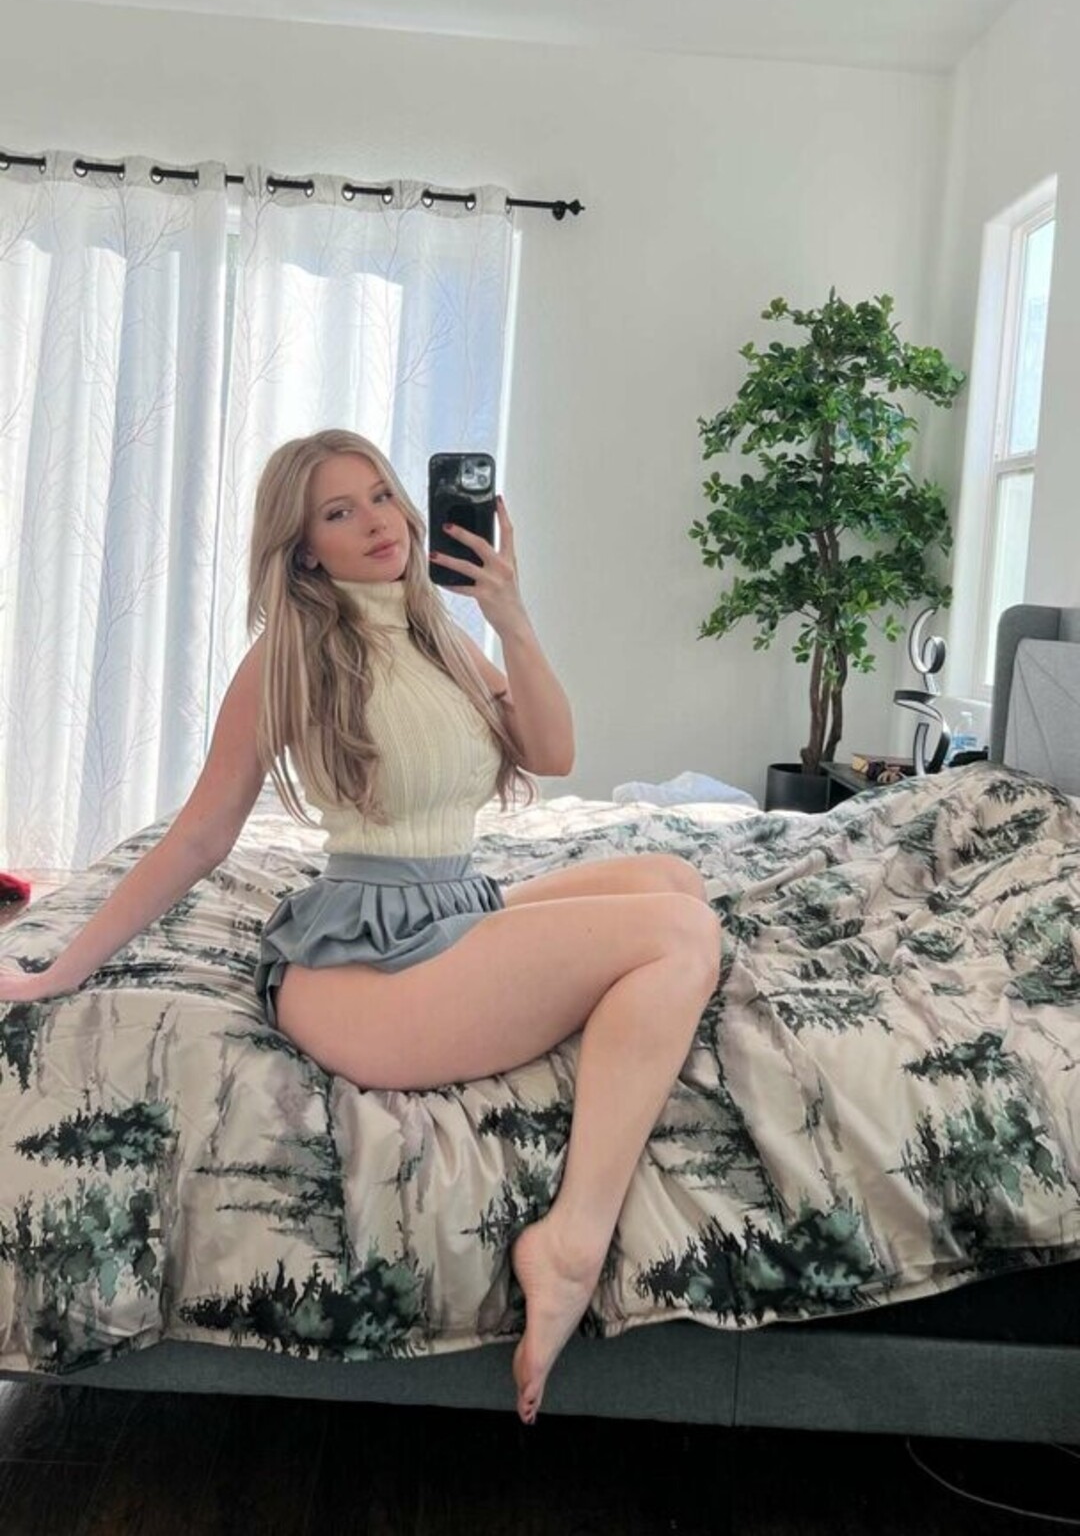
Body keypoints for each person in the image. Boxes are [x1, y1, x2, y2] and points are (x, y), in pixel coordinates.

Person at [0, 428, 720, 1422]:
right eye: (340, 511)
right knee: (677, 936)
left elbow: (553, 751)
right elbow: (202, 833)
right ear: (304, 549)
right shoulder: (290, 652)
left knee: (675, 880)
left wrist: (509, 614)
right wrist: (59, 967)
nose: (377, 521)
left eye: (381, 494)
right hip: (364, 973)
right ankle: (573, 1239)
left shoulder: (439, 633)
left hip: (450, 911)